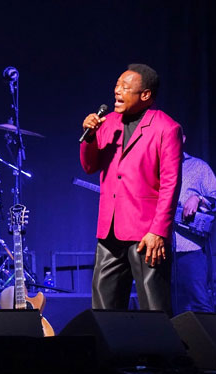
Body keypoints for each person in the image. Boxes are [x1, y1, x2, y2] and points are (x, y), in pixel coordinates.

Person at [80, 63, 183, 315]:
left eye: (125, 88)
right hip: (109, 232)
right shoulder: (108, 123)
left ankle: (160, 356)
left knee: (154, 309)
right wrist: (90, 137)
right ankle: (112, 356)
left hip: (146, 235)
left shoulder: (166, 128)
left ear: (145, 95)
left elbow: (171, 183)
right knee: (104, 312)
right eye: (116, 85)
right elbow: (90, 166)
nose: (117, 91)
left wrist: (159, 231)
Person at [173, 134, 216, 315]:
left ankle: (205, 344)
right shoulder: (153, 168)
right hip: (160, 247)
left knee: (200, 305)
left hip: (190, 248)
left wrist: (199, 198)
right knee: (162, 305)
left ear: (183, 139)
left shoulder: (198, 167)